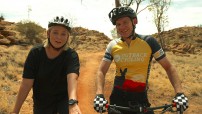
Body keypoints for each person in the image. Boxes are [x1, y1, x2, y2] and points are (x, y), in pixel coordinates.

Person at [94, 7, 188, 114]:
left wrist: (179, 93)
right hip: (117, 102)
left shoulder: (149, 42)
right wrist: (99, 95)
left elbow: (169, 67)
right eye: (118, 24)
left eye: (125, 22)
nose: (121, 27)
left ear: (134, 21)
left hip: (140, 101)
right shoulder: (113, 45)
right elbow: (101, 71)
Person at [12, 16, 82, 114]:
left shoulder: (71, 55)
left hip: (63, 101)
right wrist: (15, 111)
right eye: (55, 32)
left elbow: (72, 79)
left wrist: (73, 102)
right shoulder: (35, 53)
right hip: (42, 102)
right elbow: (26, 84)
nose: (59, 37)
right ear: (48, 33)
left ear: (67, 37)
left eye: (63, 34)